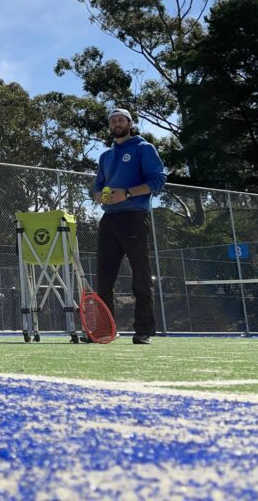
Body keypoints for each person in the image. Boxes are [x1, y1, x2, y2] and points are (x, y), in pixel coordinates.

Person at [90, 108, 168, 344]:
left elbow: (157, 181)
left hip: (134, 216)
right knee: (103, 279)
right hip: (109, 220)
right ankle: (104, 330)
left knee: (140, 276)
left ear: (130, 123)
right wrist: (98, 197)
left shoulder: (144, 148)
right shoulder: (105, 156)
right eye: (113, 120)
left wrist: (127, 193)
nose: (117, 123)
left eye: (121, 119)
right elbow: (96, 188)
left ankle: (144, 330)